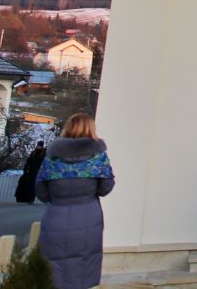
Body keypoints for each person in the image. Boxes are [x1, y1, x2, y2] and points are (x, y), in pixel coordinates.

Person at [36, 113, 115, 289]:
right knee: (84, 269)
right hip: (88, 220)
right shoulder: (98, 158)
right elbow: (105, 189)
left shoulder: (52, 159)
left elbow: (41, 193)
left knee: (53, 272)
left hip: (55, 218)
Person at [14, 140, 46, 204]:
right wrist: (25, 169)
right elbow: (28, 161)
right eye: (38, 145)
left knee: (33, 185)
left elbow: (45, 163)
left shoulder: (44, 153)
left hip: (38, 171)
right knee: (24, 182)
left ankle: (31, 199)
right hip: (30, 170)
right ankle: (22, 198)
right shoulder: (33, 152)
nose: (38, 147)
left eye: (40, 146)